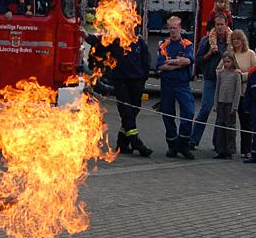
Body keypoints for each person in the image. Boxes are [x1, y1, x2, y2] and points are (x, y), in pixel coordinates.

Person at [83, 28, 152, 157]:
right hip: (121, 82)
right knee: (126, 112)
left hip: (137, 82)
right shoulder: (116, 40)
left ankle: (122, 143)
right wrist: (87, 36)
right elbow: (99, 41)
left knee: (133, 111)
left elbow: (146, 61)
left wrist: (143, 78)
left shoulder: (140, 42)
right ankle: (136, 143)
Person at [157, 16, 196, 159]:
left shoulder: (187, 44)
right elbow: (160, 65)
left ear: (180, 28)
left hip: (182, 85)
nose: (173, 31)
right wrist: (178, 64)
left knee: (189, 112)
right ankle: (172, 145)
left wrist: (171, 62)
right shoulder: (163, 45)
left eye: (175, 28)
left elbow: (188, 60)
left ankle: (184, 144)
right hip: (167, 85)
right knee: (167, 115)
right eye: (170, 28)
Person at [190, 13, 230, 151]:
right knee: (206, 109)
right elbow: (198, 60)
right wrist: (209, 53)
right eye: (217, 24)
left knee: (222, 112)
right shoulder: (207, 41)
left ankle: (217, 143)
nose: (219, 27)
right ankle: (193, 139)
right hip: (210, 79)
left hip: (225, 81)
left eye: (222, 24)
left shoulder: (231, 41)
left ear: (226, 25)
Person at [216, 29, 256, 157]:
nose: (236, 41)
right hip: (228, 95)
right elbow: (218, 69)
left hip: (244, 93)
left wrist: (241, 75)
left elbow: (255, 72)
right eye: (233, 39)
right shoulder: (229, 54)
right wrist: (225, 72)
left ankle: (247, 150)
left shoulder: (250, 54)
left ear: (243, 40)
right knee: (227, 123)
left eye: (238, 39)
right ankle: (224, 149)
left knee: (246, 123)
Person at [213, 51, 241, 160]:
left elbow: (237, 92)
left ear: (233, 61)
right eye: (225, 62)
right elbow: (217, 89)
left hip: (230, 104)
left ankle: (229, 151)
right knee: (220, 127)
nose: (226, 64)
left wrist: (235, 107)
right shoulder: (221, 74)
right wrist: (216, 104)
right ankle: (220, 150)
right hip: (221, 103)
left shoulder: (236, 75)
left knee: (230, 128)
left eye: (228, 62)